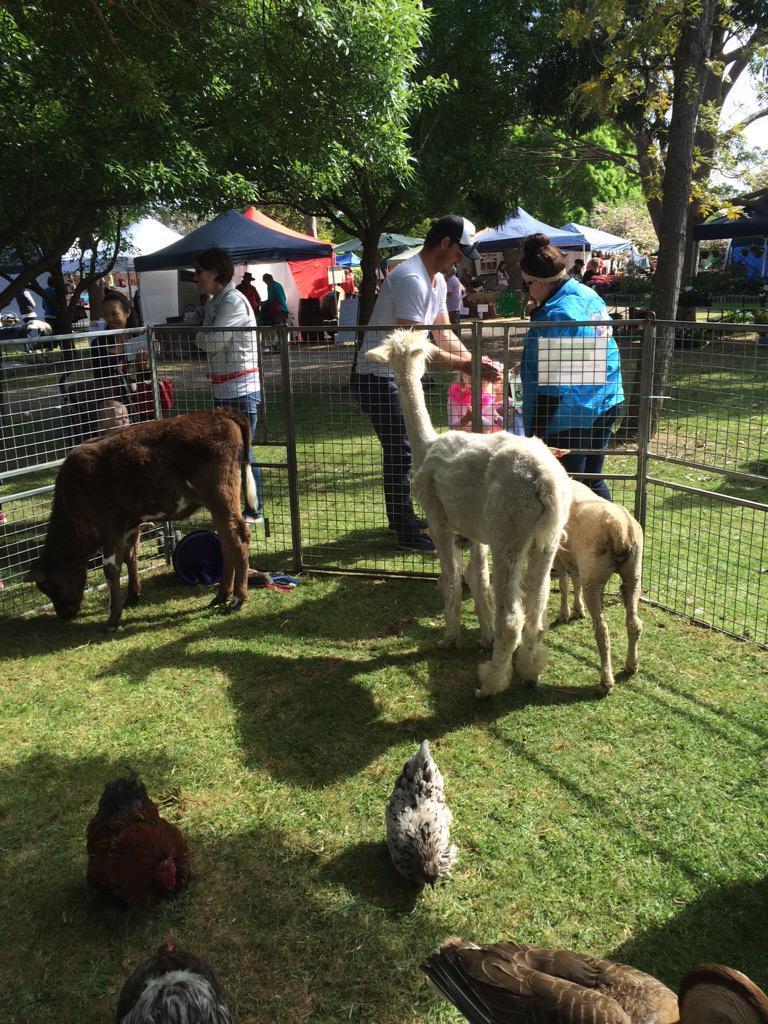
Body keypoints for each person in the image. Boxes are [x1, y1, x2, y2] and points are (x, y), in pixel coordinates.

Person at [350, 214, 500, 552]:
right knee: (403, 450)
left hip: (403, 381)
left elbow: (444, 336)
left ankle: (405, 519)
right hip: (377, 377)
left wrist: (474, 362)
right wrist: (466, 364)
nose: (461, 260)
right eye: (459, 252)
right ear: (445, 243)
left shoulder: (438, 282)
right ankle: (405, 528)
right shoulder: (412, 279)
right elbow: (411, 347)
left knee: (408, 449)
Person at [519, 233, 624, 501]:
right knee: (592, 480)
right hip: (605, 400)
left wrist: (536, 436)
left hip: (571, 414)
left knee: (567, 490)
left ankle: (585, 541)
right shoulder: (587, 294)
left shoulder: (558, 314)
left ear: (539, 283)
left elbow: (556, 386)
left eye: (527, 284)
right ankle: (614, 539)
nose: (526, 290)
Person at [194, 246, 265, 525]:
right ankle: (242, 509)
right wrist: (203, 337)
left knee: (243, 452)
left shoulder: (233, 302)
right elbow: (204, 340)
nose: (196, 277)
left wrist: (202, 337)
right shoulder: (216, 301)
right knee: (232, 452)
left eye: (199, 271)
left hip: (242, 390)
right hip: (224, 390)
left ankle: (253, 511)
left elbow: (208, 342)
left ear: (215, 272)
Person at [261, 272, 289, 353]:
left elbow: (270, 299)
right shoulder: (278, 284)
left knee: (279, 329)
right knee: (284, 329)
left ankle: (280, 348)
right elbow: (283, 297)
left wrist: (264, 303)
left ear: (266, 280)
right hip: (284, 309)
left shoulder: (270, 286)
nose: (265, 283)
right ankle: (284, 346)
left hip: (277, 310)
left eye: (265, 281)